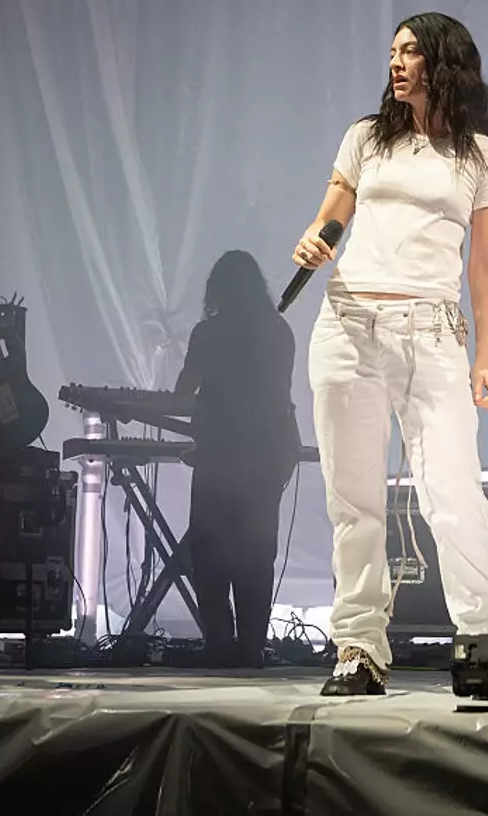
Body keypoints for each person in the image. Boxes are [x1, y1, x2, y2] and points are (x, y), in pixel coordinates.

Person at [292, 12, 488, 697]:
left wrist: (486, 357)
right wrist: (315, 237)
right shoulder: (367, 138)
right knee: (352, 498)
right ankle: (358, 648)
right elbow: (333, 209)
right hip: (348, 319)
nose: (397, 63)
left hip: (430, 329)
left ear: (443, 63)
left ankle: (482, 640)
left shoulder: (482, 158)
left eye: (411, 52)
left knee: (452, 493)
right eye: (392, 52)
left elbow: (486, 267)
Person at [174, 251, 298, 668]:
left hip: (217, 458)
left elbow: (182, 391)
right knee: (257, 556)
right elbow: (281, 394)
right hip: (266, 459)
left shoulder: (208, 333)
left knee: (209, 556)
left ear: (217, 291)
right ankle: (250, 648)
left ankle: (218, 646)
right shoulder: (279, 331)